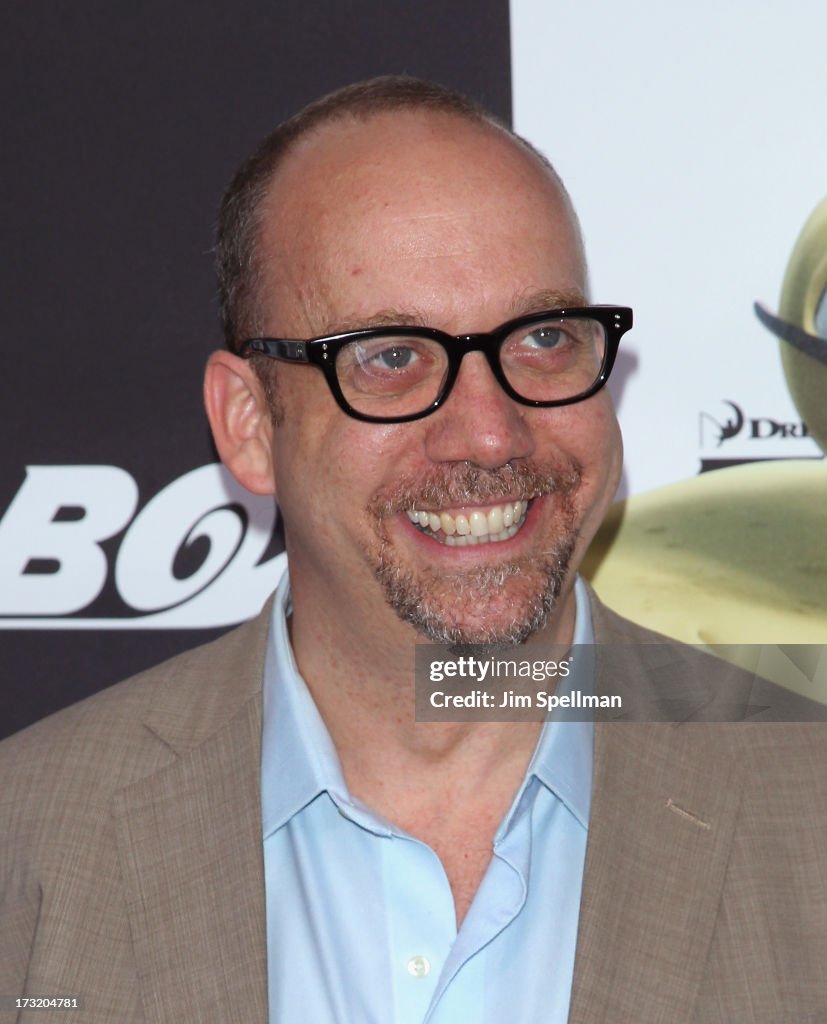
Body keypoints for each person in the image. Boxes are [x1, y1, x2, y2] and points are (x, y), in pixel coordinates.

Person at [1, 77, 826, 1024]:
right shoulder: (28, 842)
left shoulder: (808, 803)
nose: (488, 434)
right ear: (248, 424)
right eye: (391, 356)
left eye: (543, 337)